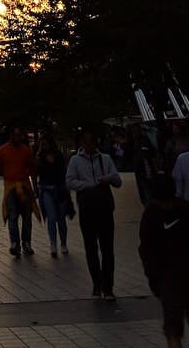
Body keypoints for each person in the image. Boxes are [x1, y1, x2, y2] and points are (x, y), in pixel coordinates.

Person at [138, 174, 189, 348]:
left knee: (183, 323)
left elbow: (145, 249)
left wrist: (153, 277)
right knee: (185, 323)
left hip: (178, 275)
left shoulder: (153, 214)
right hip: (181, 274)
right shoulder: (188, 209)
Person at [66, 129, 122, 301]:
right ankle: (97, 284)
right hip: (87, 208)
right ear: (82, 144)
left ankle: (108, 287)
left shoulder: (105, 159)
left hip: (104, 209)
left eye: (92, 142)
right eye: (87, 142)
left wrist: (107, 178)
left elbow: (117, 181)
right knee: (91, 248)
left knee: (107, 249)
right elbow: (69, 181)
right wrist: (87, 185)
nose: (90, 146)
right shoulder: (75, 160)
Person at [0, 125, 37, 258]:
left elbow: (32, 168)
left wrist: (35, 187)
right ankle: (14, 243)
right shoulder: (2, 151)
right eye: (16, 135)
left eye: (20, 135)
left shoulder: (26, 150)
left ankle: (26, 243)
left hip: (24, 185)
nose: (18, 138)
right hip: (10, 186)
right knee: (12, 216)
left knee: (27, 216)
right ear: (11, 136)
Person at [36, 130, 70, 258]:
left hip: (59, 189)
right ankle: (53, 244)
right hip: (46, 189)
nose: (44, 146)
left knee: (61, 218)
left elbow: (62, 171)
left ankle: (63, 243)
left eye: (45, 144)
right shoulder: (39, 157)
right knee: (51, 217)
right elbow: (36, 172)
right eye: (42, 144)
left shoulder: (58, 155)